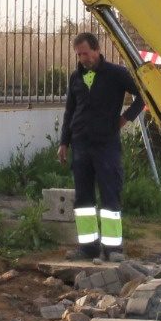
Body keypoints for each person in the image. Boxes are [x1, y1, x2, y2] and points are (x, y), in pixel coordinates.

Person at [58, 32, 145, 261]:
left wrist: (125, 118)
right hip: (81, 144)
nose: (82, 58)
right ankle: (88, 248)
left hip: (106, 144)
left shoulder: (116, 74)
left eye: (85, 53)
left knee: (110, 196)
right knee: (83, 200)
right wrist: (64, 142)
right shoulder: (76, 77)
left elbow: (142, 95)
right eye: (78, 54)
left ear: (96, 50)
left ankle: (113, 248)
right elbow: (70, 111)